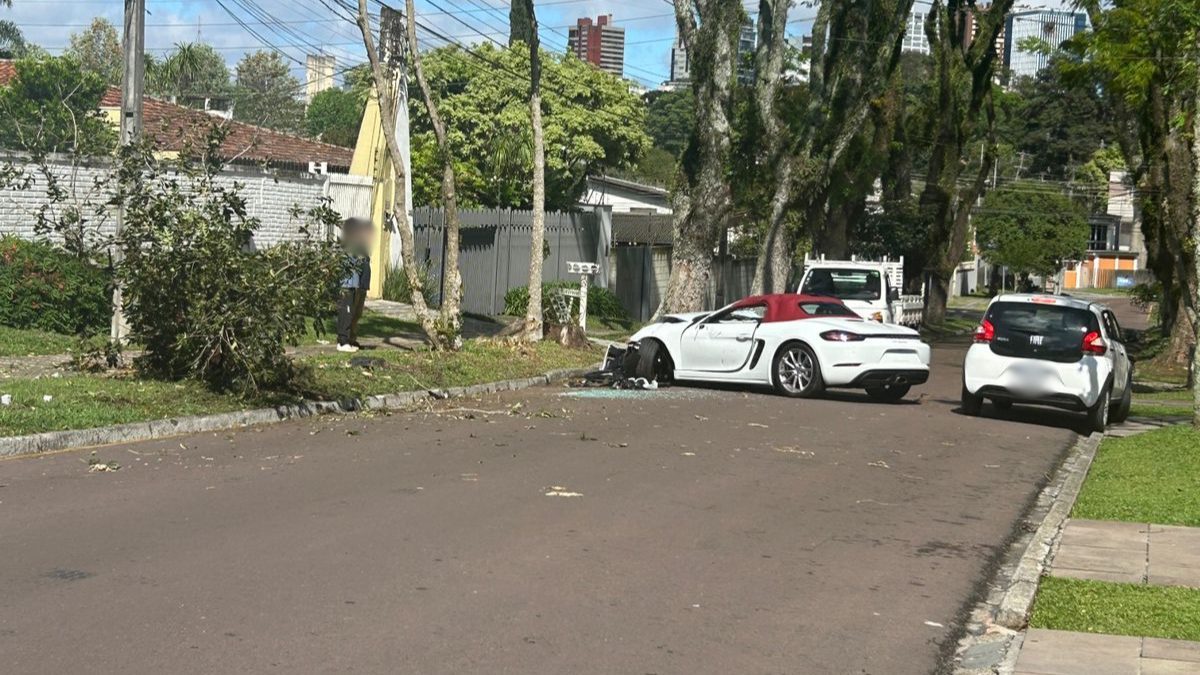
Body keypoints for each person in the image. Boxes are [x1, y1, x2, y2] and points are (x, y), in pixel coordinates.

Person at [337, 217, 373, 353]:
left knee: (355, 313)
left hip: (359, 284)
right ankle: (343, 341)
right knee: (346, 312)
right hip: (348, 284)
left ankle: (350, 338)